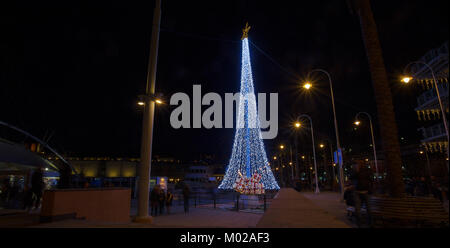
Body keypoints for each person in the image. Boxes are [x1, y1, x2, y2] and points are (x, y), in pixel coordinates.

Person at [350, 160, 373, 227]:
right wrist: (356, 171)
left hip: (365, 192)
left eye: (359, 164)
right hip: (357, 192)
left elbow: (370, 180)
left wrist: (370, 189)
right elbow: (351, 178)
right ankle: (359, 224)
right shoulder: (355, 171)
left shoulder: (366, 171)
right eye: (357, 164)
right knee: (358, 209)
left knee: (368, 209)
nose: (358, 165)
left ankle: (370, 224)